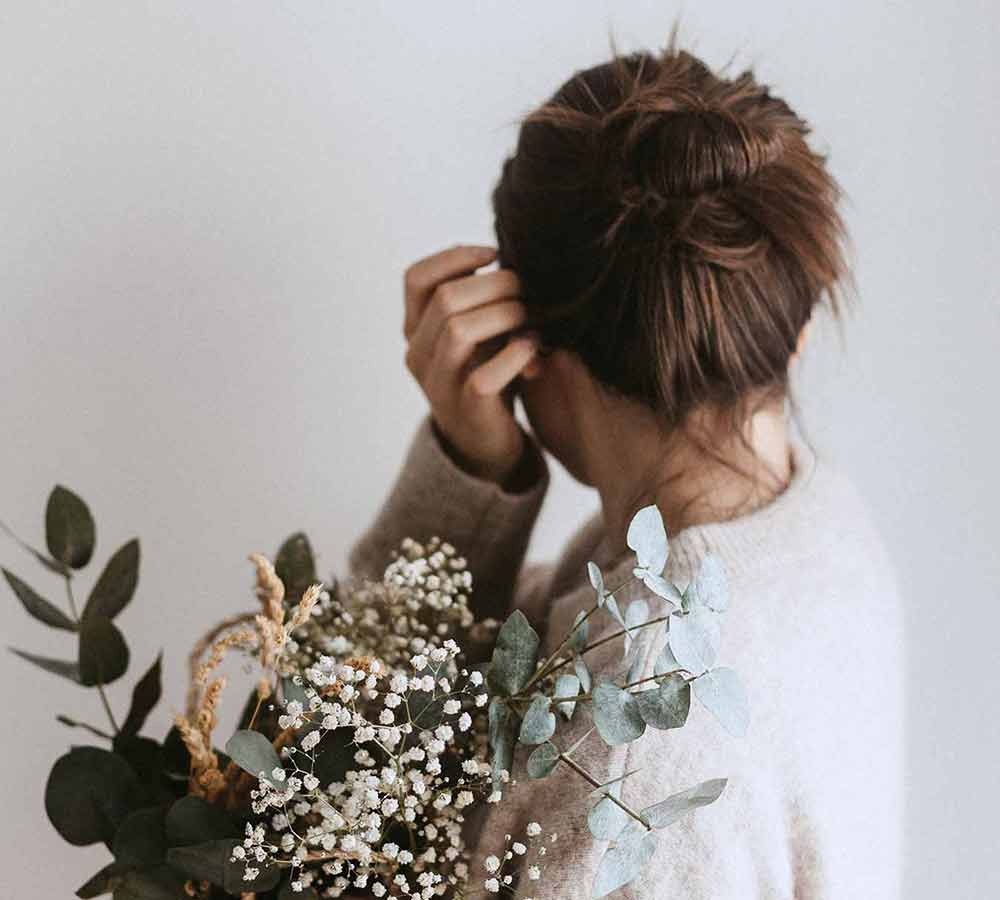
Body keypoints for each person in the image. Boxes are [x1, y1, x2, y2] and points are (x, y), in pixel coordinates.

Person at [349, 27, 904, 900]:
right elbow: (476, 686)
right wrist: (471, 473)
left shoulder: (633, 748)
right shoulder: (811, 531)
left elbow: (348, 765)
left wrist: (465, 469)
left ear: (525, 347)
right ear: (789, 336)